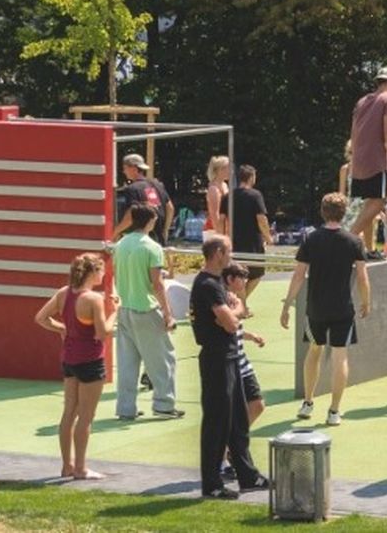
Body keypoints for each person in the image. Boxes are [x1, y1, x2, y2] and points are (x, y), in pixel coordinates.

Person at [281, 193, 371, 427]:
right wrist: (366, 301)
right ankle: (334, 411)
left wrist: (288, 304)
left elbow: (298, 275)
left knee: (314, 350)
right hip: (343, 308)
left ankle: (308, 402)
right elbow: (362, 276)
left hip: (316, 308)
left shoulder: (311, 239)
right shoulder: (354, 241)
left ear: (323, 212)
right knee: (340, 356)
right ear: (343, 213)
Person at [191, 237, 267, 499]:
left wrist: (235, 309)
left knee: (238, 421)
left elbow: (233, 316)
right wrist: (236, 309)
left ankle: (248, 476)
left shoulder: (216, 285)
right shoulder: (208, 285)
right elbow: (230, 323)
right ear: (218, 253)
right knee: (217, 421)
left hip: (230, 356)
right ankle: (211, 484)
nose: (231, 256)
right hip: (216, 358)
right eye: (229, 251)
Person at [34, 253, 116, 480]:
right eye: (101, 270)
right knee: (86, 416)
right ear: (92, 273)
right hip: (91, 361)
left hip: (69, 360)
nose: (104, 274)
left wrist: (63, 329)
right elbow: (103, 333)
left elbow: (41, 318)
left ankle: (67, 465)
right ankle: (80, 468)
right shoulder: (93, 299)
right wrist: (116, 313)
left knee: (69, 412)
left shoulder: (64, 293)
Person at [112, 203, 181, 421]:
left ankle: (125, 408)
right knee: (164, 360)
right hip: (147, 309)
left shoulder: (120, 245)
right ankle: (164, 404)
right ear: (150, 221)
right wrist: (168, 314)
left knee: (127, 363)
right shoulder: (152, 247)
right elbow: (157, 284)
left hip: (125, 309)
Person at [347, 67, 387, 254]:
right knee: (379, 201)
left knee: (368, 203)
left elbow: (353, 130)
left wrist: (355, 155)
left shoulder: (362, 101)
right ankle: (349, 238)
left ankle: (369, 249)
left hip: (359, 158)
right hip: (377, 159)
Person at [223, 263, 267, 426]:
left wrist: (251, 336)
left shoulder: (235, 300)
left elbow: (235, 330)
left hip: (243, 363)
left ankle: (234, 440)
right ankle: (229, 444)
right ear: (230, 279)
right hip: (230, 364)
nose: (245, 281)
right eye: (242, 278)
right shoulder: (224, 301)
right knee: (234, 407)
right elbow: (226, 326)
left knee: (257, 405)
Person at [229, 165, 273, 307]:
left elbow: (222, 219)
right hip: (252, 242)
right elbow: (261, 218)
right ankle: (240, 305)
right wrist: (268, 237)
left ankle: (239, 303)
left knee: (239, 275)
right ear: (251, 177)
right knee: (257, 274)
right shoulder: (255, 195)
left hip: (233, 240)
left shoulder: (229, 196)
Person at [113, 154, 173, 246]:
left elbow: (130, 216)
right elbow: (170, 208)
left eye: (125, 168)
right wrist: (165, 230)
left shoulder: (132, 189)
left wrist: (115, 232)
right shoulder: (157, 185)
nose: (123, 171)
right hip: (158, 239)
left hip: (139, 241)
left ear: (134, 169)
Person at [203, 155, 231, 238]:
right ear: (220, 170)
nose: (231, 171)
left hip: (224, 228)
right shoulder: (213, 189)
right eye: (228, 168)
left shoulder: (225, 185)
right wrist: (220, 234)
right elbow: (214, 214)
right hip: (213, 230)